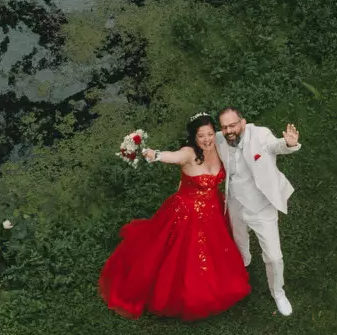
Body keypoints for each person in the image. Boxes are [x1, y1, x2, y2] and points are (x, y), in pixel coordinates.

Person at [98, 113, 252, 321]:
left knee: (217, 248)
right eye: (201, 136)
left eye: (209, 134)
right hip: (187, 214)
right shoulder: (188, 153)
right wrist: (154, 154)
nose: (207, 140)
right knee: (181, 254)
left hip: (213, 209)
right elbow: (173, 157)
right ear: (193, 138)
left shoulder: (219, 145)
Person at [217, 106, 299, 316]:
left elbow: (275, 146)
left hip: (261, 207)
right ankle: (243, 263)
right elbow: (200, 142)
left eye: (232, 125)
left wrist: (288, 144)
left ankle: (278, 292)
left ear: (243, 122)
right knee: (239, 240)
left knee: (273, 257)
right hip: (235, 203)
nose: (229, 131)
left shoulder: (260, 135)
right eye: (224, 127)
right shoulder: (219, 139)